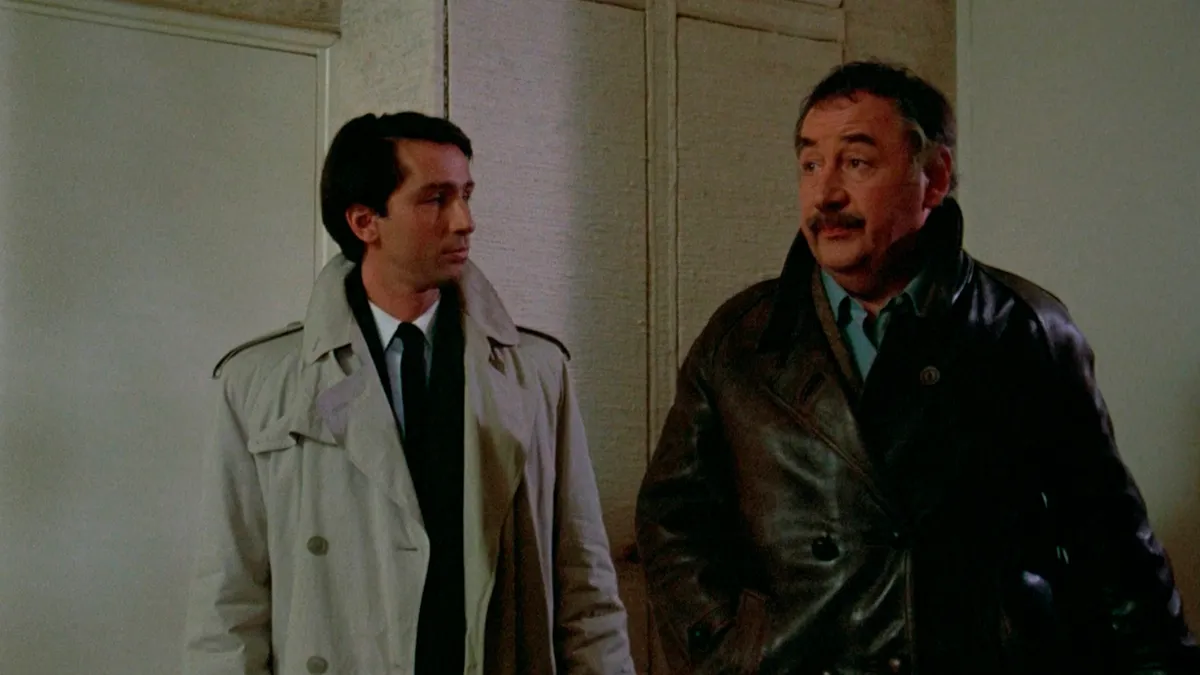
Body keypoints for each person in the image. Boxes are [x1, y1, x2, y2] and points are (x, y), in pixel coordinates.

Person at [635, 61, 1199, 674]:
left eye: (856, 162)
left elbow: (1112, 542)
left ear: (934, 178)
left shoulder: (1022, 330)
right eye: (810, 164)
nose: (825, 194)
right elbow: (671, 518)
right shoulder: (742, 341)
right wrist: (730, 652)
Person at [184, 111, 635, 675]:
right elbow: (229, 602)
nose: (465, 221)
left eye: (466, 195)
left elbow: (585, 585)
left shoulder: (536, 372)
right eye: (436, 199)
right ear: (364, 222)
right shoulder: (260, 382)